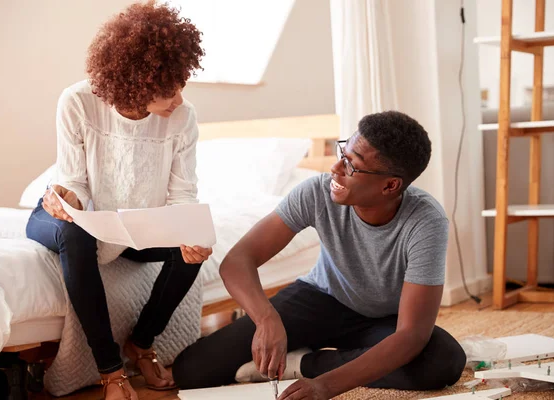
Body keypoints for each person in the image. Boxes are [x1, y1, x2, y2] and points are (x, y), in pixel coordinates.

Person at [172, 111, 467, 399]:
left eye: (352, 165)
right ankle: (333, 355)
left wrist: (325, 385)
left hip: (383, 321)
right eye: (343, 152)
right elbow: (238, 260)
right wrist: (266, 319)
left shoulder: (426, 223)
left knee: (443, 361)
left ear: (390, 186)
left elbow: (411, 335)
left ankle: (303, 363)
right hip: (319, 300)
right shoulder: (316, 192)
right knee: (192, 371)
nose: (335, 168)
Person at [25, 2, 209, 399]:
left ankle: (141, 344)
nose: (178, 99)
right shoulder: (77, 101)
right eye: (168, 89)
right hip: (74, 217)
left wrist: (189, 233)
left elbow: (182, 195)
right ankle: (110, 369)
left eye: (182, 84)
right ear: (136, 80)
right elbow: (74, 180)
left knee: (195, 245)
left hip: (133, 225)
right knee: (74, 235)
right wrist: (65, 200)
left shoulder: (184, 117)